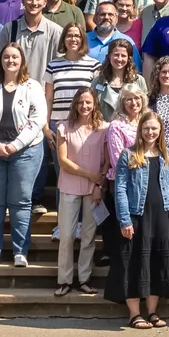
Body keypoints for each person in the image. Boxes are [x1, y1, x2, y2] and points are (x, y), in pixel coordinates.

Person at [0, 43, 48, 267]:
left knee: (21, 202)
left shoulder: (32, 86)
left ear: (22, 60)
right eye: (6, 57)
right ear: (0, 61)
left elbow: (38, 120)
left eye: (15, 57)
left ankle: (19, 252)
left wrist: (15, 145)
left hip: (26, 151)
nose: (10, 61)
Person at [109, 111, 169, 328]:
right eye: (147, 128)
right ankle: (134, 313)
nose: (150, 132)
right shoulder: (128, 154)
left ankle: (152, 312)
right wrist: (124, 220)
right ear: (140, 130)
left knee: (157, 262)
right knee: (132, 262)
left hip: (161, 216)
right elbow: (120, 188)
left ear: (160, 131)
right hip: (135, 216)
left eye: (154, 129)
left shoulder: (168, 155)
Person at [51, 87, 108, 296]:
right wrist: (89, 175)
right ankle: (65, 280)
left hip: (93, 191)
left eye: (88, 102)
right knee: (66, 235)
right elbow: (63, 161)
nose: (84, 106)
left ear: (95, 105)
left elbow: (106, 161)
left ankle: (84, 278)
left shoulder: (103, 128)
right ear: (75, 104)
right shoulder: (64, 128)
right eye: (81, 102)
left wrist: (97, 185)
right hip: (69, 187)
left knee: (88, 236)